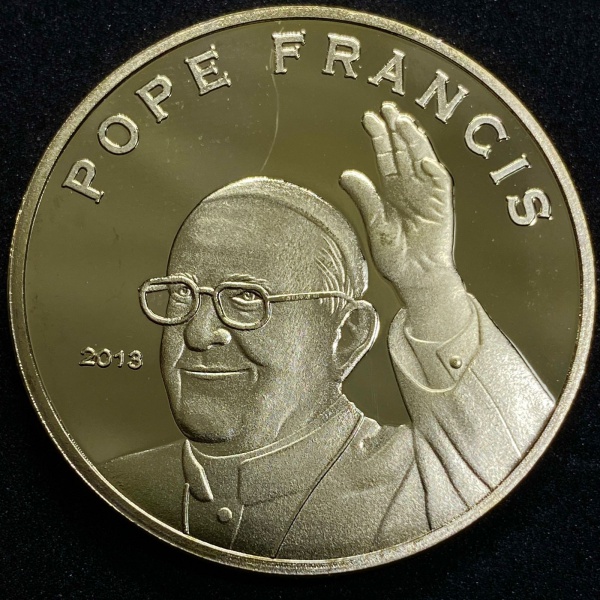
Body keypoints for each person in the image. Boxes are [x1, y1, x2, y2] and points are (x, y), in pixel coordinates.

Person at [102, 102, 553, 559]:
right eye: (181, 294)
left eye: (245, 298)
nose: (198, 335)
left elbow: (525, 465)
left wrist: (429, 285)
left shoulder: (424, 482)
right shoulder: (123, 489)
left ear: (348, 336)